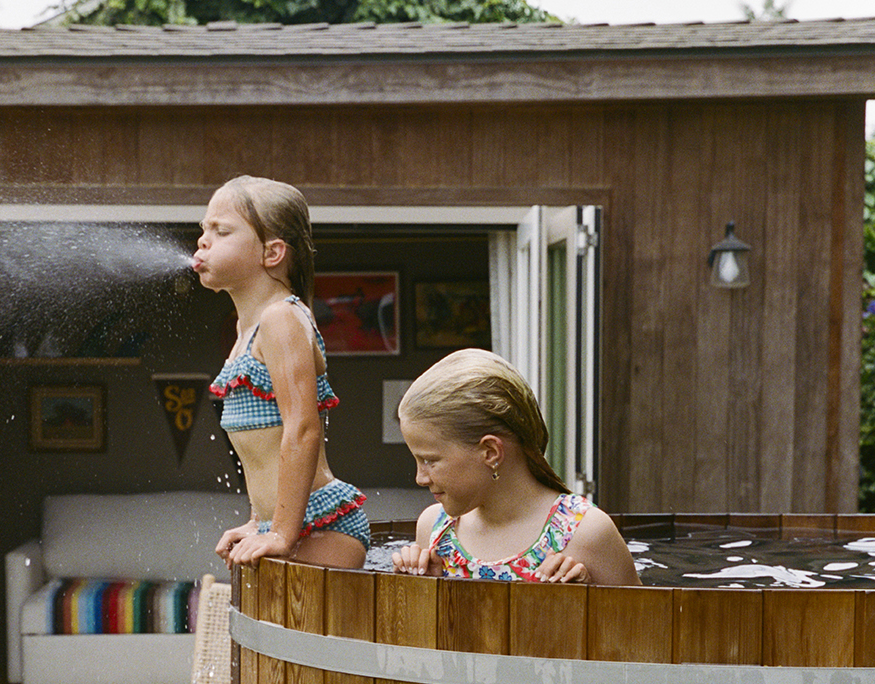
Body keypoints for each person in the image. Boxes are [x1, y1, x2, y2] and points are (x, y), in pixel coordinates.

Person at [193, 175, 369, 570]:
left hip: (325, 528)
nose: (203, 240)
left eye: (221, 231)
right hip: (291, 522)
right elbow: (264, 451)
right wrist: (259, 522)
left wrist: (282, 535)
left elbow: (303, 429)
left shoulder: (281, 319)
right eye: (204, 229)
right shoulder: (246, 330)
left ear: (272, 252)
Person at [392, 349, 640, 586]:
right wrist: (419, 589)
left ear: (490, 452)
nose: (420, 478)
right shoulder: (434, 529)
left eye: (429, 460)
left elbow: (644, 626)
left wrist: (587, 597)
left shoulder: (585, 532)